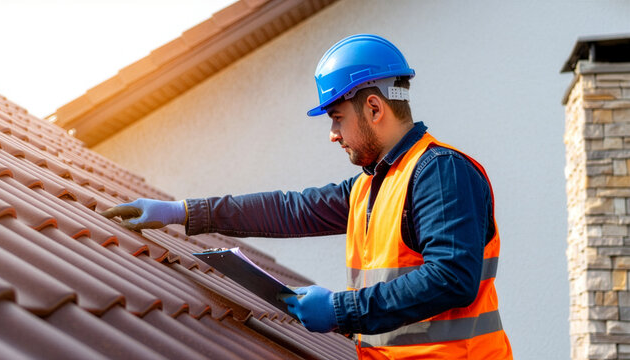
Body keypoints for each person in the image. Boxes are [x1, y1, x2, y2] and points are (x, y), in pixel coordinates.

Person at [102, 34, 512, 359]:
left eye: (336, 118)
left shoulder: (441, 174)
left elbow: (451, 279)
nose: (333, 134)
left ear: (374, 108)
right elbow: (290, 209)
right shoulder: (374, 184)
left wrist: (340, 311)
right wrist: (184, 212)